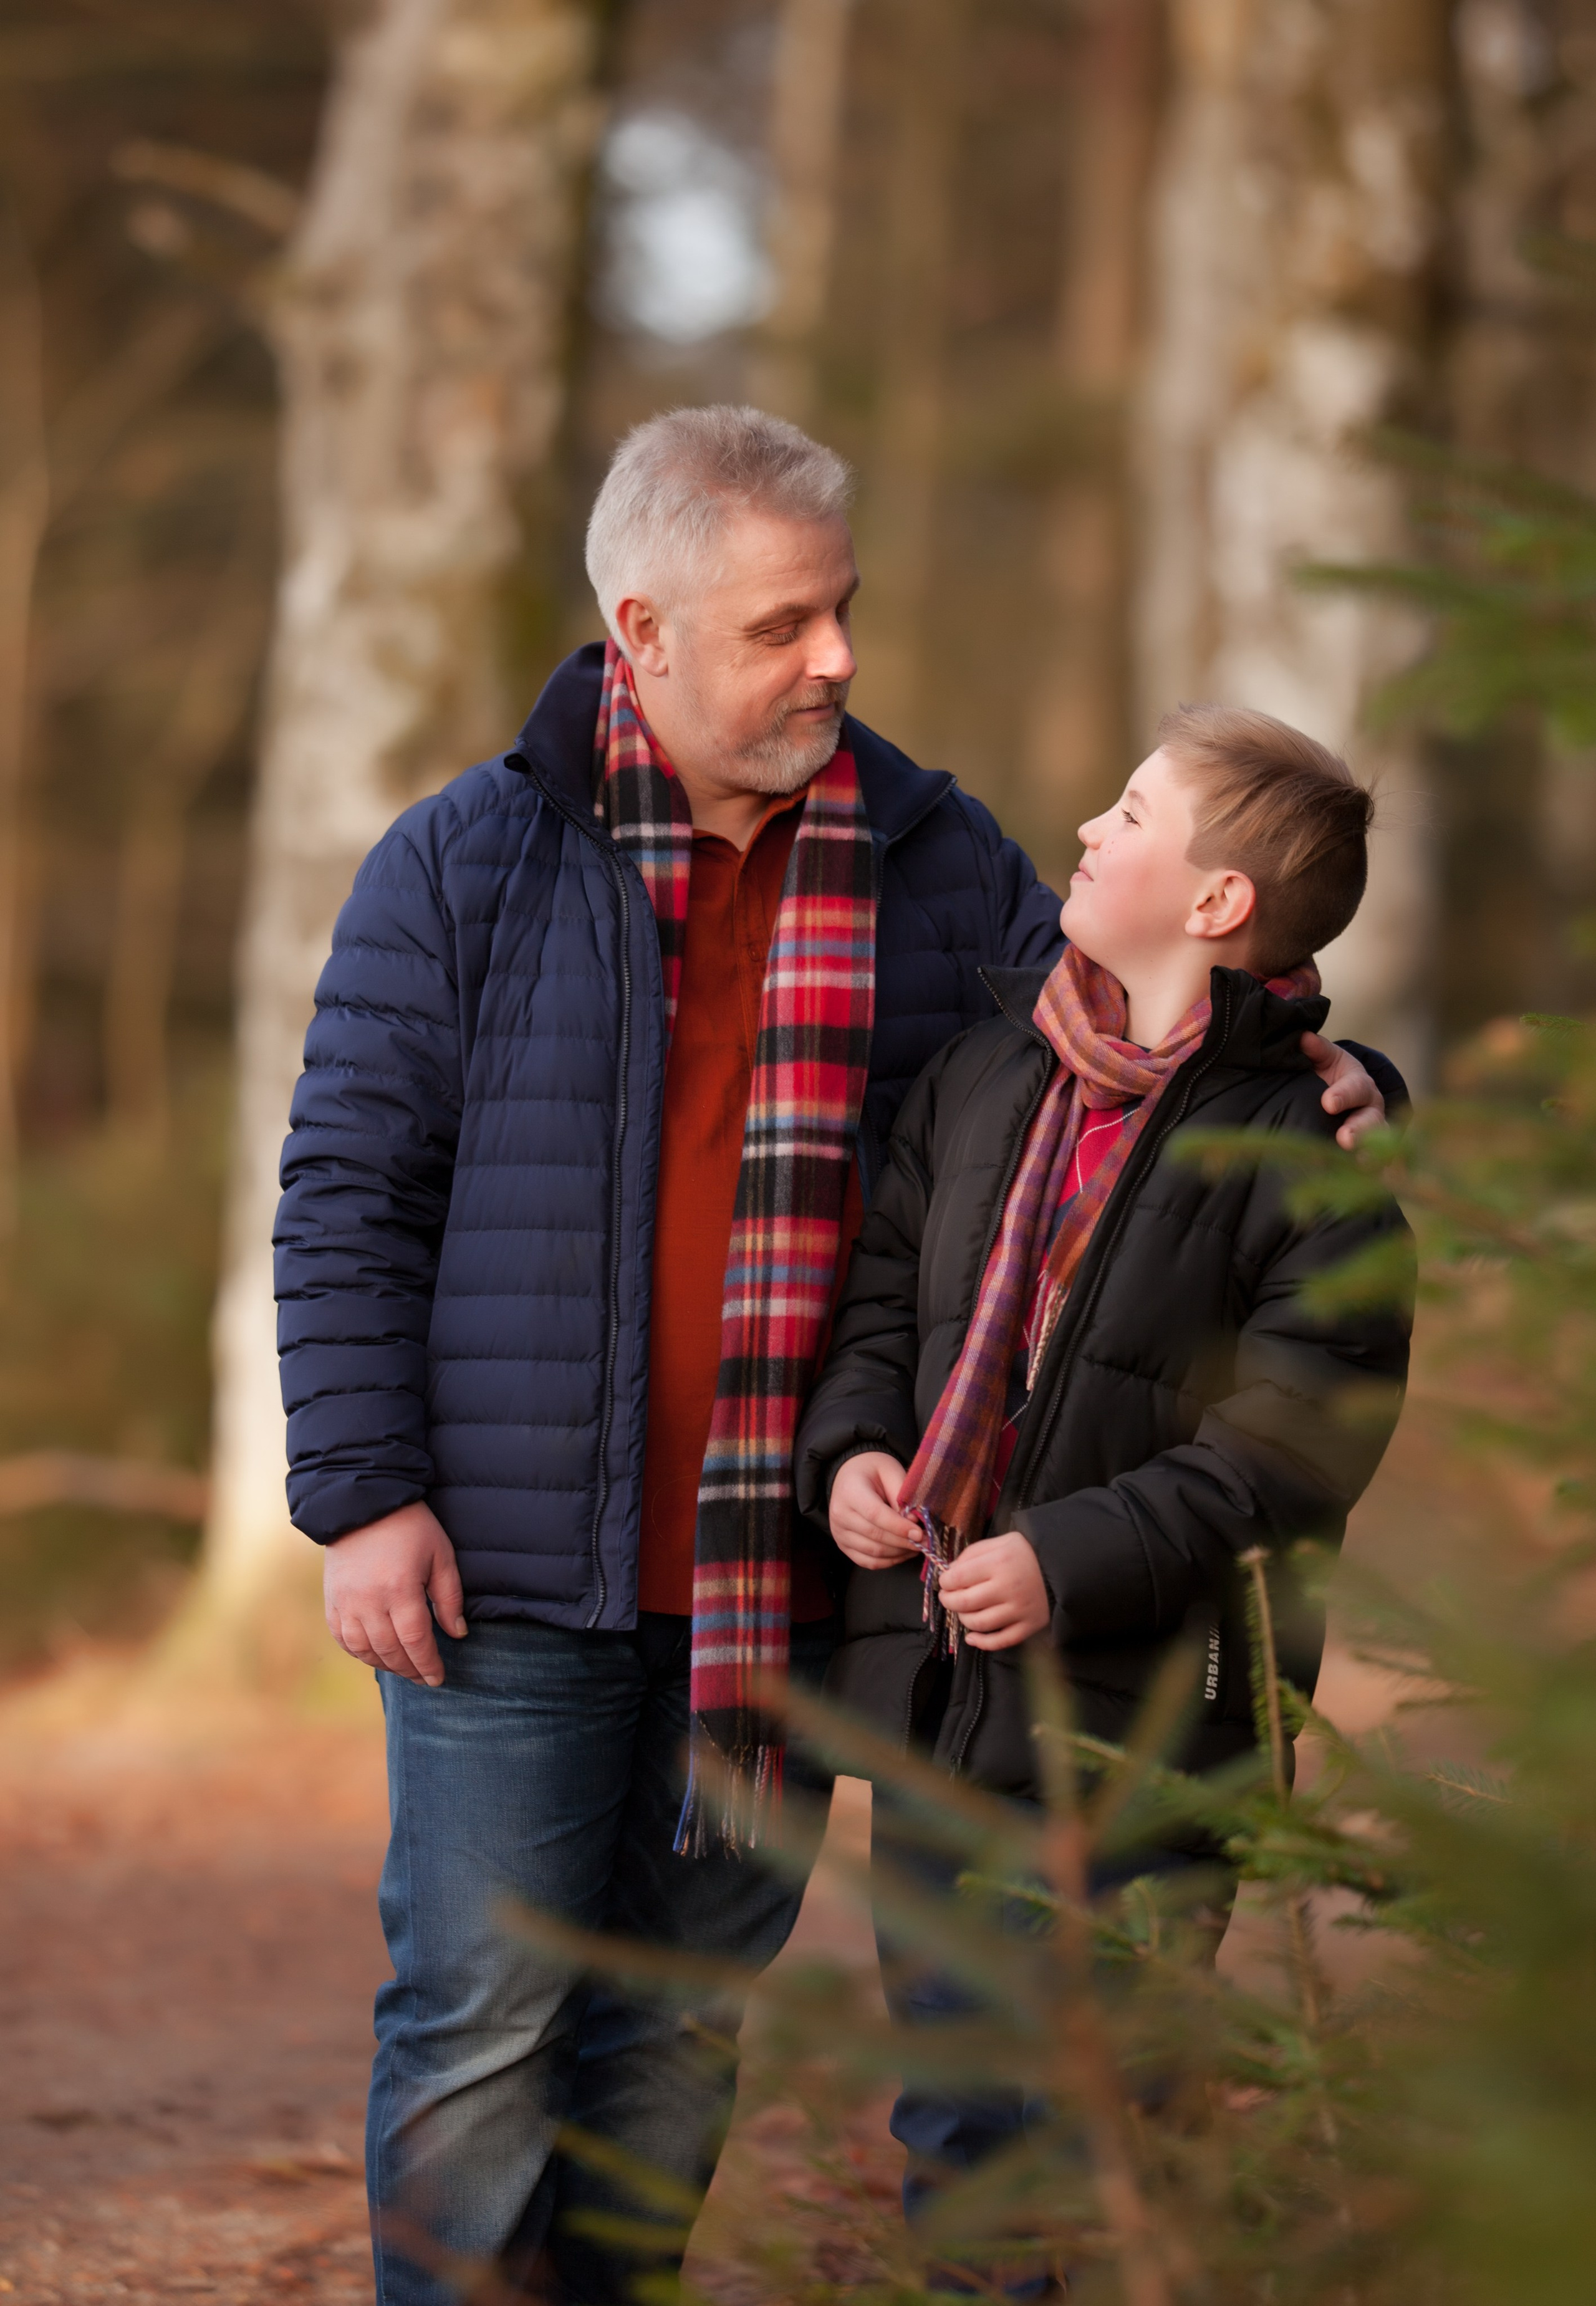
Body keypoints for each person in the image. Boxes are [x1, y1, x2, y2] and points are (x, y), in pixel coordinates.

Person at [274, 411, 1397, 2306]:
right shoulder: (464, 866)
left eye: (846, 611)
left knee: (685, 2015)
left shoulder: (938, 863)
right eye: (786, 625)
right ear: (642, 627)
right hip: (511, 1569)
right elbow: (345, 1192)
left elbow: (1164, 1021)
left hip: (791, 1573)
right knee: (480, 2017)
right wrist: (365, 1492)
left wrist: (1349, 1075)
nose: (841, 661)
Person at [794, 706, 1415, 2255]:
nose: (1083, 829)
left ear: (1214, 902)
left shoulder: (1310, 1172)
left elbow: (1287, 1452)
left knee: (1098, 2126)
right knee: (953, 2118)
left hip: (1134, 1729)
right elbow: (881, 1295)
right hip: (939, 1705)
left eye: (1130, 813)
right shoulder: (984, 1076)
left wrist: (1065, 1556)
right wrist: (855, 1453)